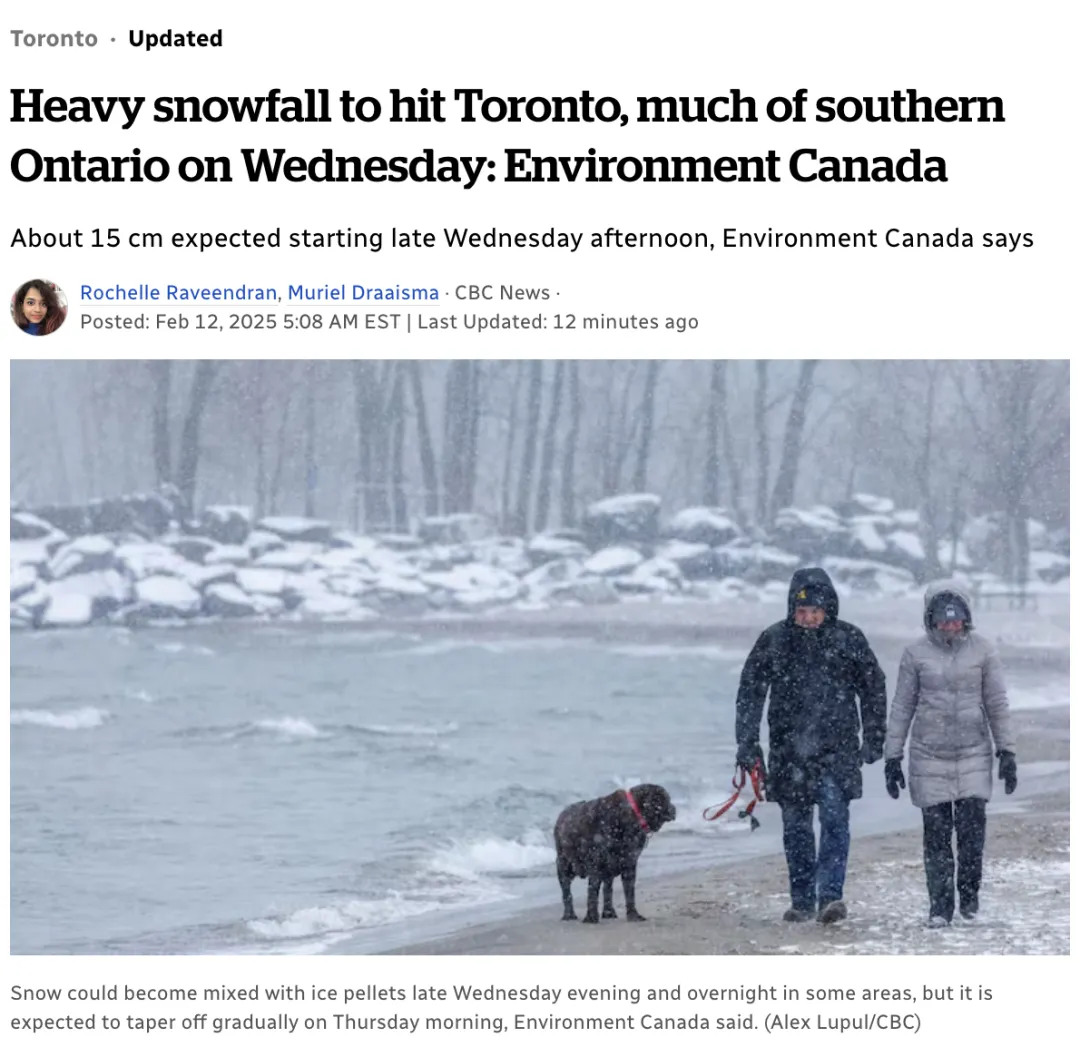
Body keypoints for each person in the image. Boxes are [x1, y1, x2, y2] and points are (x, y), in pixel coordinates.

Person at [736, 566, 887, 924]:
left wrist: (874, 736)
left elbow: (873, 689)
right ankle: (802, 900)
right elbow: (750, 694)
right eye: (801, 612)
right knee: (797, 830)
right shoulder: (774, 639)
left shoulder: (849, 639)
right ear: (792, 609)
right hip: (789, 754)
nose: (808, 618)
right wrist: (747, 743)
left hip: (837, 750)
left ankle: (830, 898)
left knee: (835, 821)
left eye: (815, 611)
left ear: (828, 609)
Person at [884, 581, 1016, 927]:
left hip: (973, 752)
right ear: (931, 620)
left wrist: (1007, 751)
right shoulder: (915, 654)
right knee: (937, 838)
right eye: (943, 621)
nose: (950, 627)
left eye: (956, 621)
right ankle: (940, 908)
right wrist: (892, 756)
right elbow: (902, 706)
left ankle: (969, 894)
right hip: (928, 755)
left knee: (971, 835)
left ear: (966, 619)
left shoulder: (984, 651)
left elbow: (997, 704)